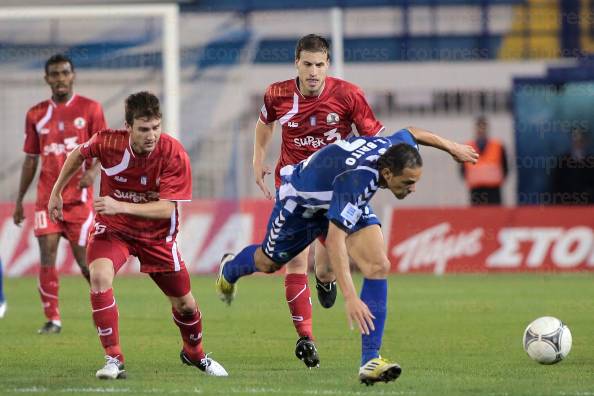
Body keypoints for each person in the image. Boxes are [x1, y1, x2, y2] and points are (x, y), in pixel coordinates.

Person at [217, 127, 478, 384]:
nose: (412, 189)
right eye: (408, 182)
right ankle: (230, 269)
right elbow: (334, 240)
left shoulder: (395, 152)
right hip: (301, 204)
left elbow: (412, 132)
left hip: (337, 196)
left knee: (378, 265)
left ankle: (370, 361)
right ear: (387, 173)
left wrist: (452, 148)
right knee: (268, 262)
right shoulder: (358, 180)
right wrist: (351, 297)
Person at [48, 91, 227, 379]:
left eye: (156, 127)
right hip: (115, 229)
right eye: (144, 129)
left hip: (157, 238)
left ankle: (195, 354)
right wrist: (56, 192)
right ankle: (113, 358)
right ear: (128, 127)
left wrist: (120, 204)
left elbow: (168, 209)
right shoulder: (108, 141)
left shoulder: (174, 153)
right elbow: (77, 154)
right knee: (99, 277)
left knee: (185, 304)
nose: (151, 135)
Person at [248, 34, 385, 368]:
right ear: (297, 62)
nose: (313, 71)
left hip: (335, 188)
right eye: (307, 64)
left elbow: (375, 138)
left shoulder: (349, 95)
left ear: (328, 65)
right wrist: (258, 158)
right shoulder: (277, 93)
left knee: (324, 269)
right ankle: (305, 338)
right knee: (295, 262)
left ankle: (327, 281)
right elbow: (265, 123)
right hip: (293, 185)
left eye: (319, 65)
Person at [13, 54, 107, 334]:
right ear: (47, 79)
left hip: (79, 201)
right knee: (47, 255)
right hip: (46, 199)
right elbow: (31, 159)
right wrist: (19, 200)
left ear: (73, 75)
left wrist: (93, 173)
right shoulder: (36, 114)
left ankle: (102, 310)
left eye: (64, 72)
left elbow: (106, 146)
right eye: (54, 74)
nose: (60, 78)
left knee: (85, 262)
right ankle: (52, 319)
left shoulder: (90, 109)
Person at [461, 116, 508, 205]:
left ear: (487, 129)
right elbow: (463, 169)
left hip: (494, 190)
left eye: (483, 127)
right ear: (475, 129)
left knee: (495, 215)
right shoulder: (468, 147)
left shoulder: (498, 146)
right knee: (477, 216)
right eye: (479, 127)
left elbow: (505, 167)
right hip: (476, 190)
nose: (481, 130)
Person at [550, 128, 594, 204]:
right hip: (565, 205)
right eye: (575, 138)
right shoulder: (562, 161)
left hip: (587, 205)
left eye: (580, 139)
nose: (577, 141)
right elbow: (556, 185)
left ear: (586, 141)